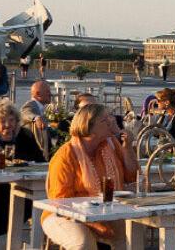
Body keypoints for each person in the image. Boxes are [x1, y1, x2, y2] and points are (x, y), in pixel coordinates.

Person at [43, 104, 139, 250]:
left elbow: (133, 177)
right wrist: (95, 222)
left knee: (133, 233)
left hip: (104, 212)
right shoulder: (66, 155)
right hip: (63, 215)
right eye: (105, 120)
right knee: (83, 243)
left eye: (110, 117)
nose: (111, 122)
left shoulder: (111, 144)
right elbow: (61, 202)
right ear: (89, 126)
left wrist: (127, 146)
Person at [0, 100, 46, 244]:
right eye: (3, 121)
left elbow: (40, 160)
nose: (8, 125)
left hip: (22, 185)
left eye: (11, 120)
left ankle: (26, 242)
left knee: (37, 203)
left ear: (17, 120)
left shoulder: (25, 135)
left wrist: (26, 163)